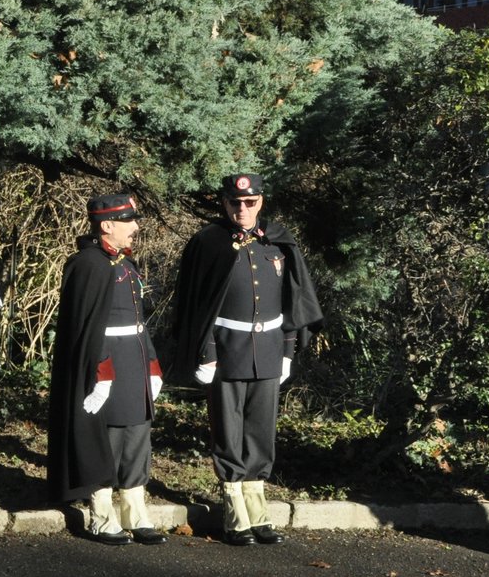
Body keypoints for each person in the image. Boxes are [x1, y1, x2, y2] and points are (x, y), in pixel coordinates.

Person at [169, 173, 321, 546]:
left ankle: (258, 508)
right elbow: (197, 305)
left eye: (250, 202)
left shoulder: (278, 240)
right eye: (235, 202)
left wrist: (288, 349)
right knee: (228, 428)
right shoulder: (208, 243)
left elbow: (291, 300)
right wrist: (206, 353)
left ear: (261, 202)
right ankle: (235, 512)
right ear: (224, 203)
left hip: (269, 348)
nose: (242, 209)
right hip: (227, 349)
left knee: (261, 429)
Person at [47, 192, 168, 546]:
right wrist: (100, 373)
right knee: (106, 439)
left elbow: (138, 321)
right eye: (129, 221)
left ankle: (135, 512)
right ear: (108, 225)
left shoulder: (124, 265)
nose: (135, 227)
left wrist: (152, 364)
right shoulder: (87, 264)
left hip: (133, 360)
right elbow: (87, 326)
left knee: (136, 437)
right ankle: (102, 515)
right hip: (106, 365)